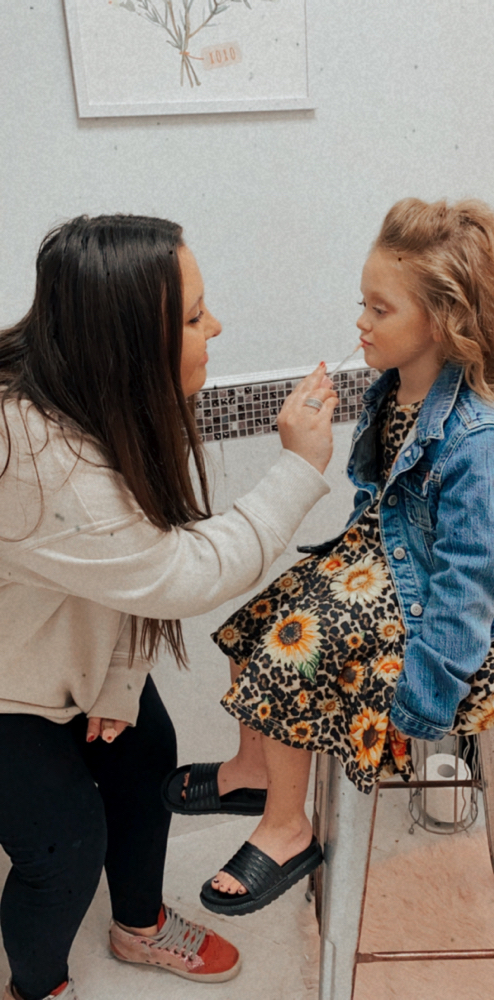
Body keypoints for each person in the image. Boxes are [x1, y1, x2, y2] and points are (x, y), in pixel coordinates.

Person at [163, 197, 494, 917]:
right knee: (254, 621)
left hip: (434, 598)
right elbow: (376, 504)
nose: (361, 324)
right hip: (384, 560)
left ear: (440, 323)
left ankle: (288, 827)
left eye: (380, 310)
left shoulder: (479, 437)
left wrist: (428, 698)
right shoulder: (391, 391)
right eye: (363, 305)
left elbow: (467, 583)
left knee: (292, 652)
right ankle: (257, 770)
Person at [0, 214, 339, 1000]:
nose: (216, 325)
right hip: (9, 688)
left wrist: (118, 681)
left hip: (60, 646)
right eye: (193, 317)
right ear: (124, 339)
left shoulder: (92, 398)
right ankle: (37, 984)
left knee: (146, 752)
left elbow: (128, 562)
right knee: (65, 847)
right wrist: (299, 468)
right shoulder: (35, 461)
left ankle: (139, 927)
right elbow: (178, 570)